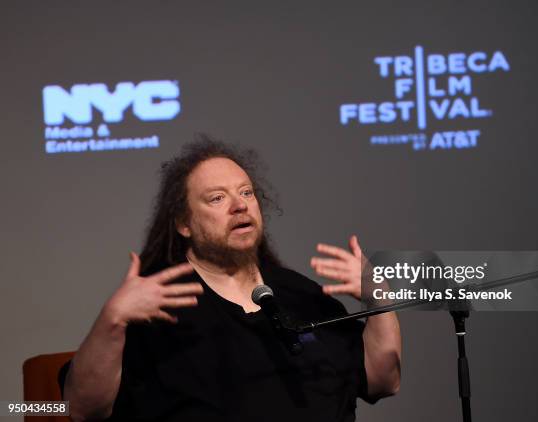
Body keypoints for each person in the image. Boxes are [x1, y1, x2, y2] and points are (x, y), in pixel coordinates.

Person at [59, 136, 402, 421]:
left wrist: (378, 298)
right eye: (217, 198)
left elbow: (382, 380)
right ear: (184, 223)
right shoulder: (160, 303)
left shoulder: (299, 293)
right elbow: (80, 408)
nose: (240, 205)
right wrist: (112, 320)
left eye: (246, 192)